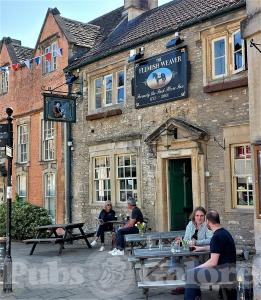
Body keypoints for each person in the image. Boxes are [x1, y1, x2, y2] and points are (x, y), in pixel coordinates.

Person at [184, 210, 237, 300]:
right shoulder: (224, 232)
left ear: (207, 221)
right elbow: (216, 247)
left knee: (190, 274)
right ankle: (196, 296)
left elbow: (213, 262)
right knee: (194, 269)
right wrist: (200, 248)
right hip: (230, 270)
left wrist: (196, 269)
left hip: (222, 273)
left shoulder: (216, 237)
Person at [170, 206, 213, 295]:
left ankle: (191, 289)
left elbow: (211, 240)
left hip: (201, 253)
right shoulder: (190, 224)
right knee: (174, 255)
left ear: (205, 216)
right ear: (194, 216)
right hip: (188, 251)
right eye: (197, 215)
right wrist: (181, 241)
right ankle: (179, 279)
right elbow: (186, 239)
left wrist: (197, 242)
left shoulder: (207, 225)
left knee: (192, 262)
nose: (199, 218)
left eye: (201, 215)